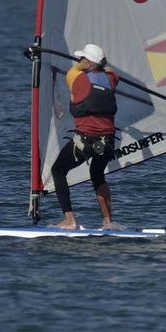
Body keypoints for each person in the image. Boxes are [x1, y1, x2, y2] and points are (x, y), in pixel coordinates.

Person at [50, 43, 119, 230]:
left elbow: (74, 69)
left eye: (82, 59)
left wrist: (82, 64)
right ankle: (108, 222)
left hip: (85, 142)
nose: (79, 61)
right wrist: (98, 64)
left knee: (58, 171)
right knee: (97, 175)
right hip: (108, 143)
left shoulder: (76, 78)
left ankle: (70, 220)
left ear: (88, 63)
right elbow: (110, 70)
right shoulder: (112, 79)